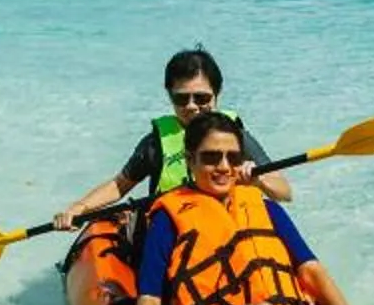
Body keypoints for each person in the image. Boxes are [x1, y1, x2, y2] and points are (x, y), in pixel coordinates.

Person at [124, 111, 374, 305]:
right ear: (191, 161)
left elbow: (311, 270)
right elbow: (149, 295)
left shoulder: (264, 206)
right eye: (211, 158)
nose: (222, 167)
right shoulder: (169, 217)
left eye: (232, 158)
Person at [55, 47, 291, 232]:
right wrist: (80, 207)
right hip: (174, 236)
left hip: (230, 230)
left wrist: (258, 181)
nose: (191, 107)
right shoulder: (156, 143)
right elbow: (119, 185)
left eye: (201, 97)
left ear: (217, 94)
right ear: (170, 96)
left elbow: (284, 193)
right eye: (181, 99)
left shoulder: (235, 137)